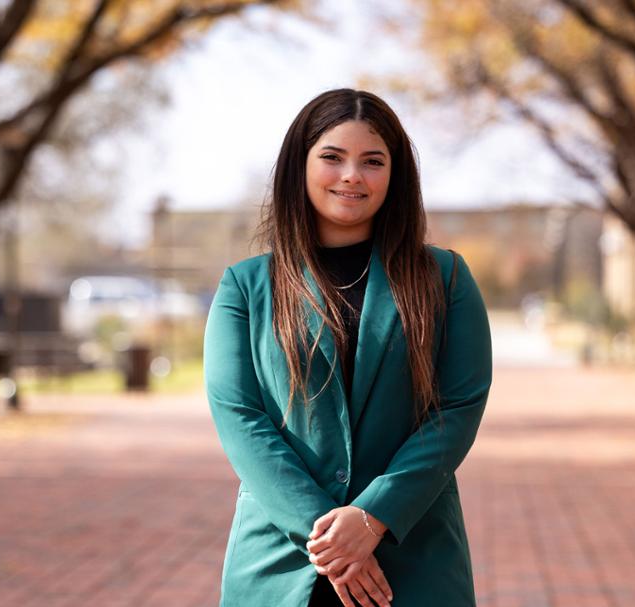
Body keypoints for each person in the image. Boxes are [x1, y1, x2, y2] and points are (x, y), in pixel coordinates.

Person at [203, 88, 492, 606]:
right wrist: (333, 538)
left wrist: (374, 516)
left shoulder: (445, 278)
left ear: (395, 175)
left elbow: (457, 408)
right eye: (332, 157)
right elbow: (240, 418)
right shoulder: (245, 287)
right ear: (300, 167)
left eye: (372, 161)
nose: (352, 175)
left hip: (414, 557)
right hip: (279, 565)